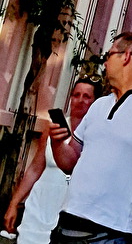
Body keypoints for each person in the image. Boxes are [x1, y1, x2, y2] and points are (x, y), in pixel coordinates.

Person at [48, 31, 132, 244]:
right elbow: (70, 160)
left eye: (109, 55)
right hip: (67, 223)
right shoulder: (99, 105)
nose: (105, 63)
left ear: (127, 56)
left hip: (110, 232)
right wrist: (57, 142)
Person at [4, 79, 101, 244]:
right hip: (39, 205)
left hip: (67, 211)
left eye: (86, 96)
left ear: (95, 102)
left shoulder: (97, 136)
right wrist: (14, 203)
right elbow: (35, 169)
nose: (80, 100)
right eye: (76, 95)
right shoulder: (53, 128)